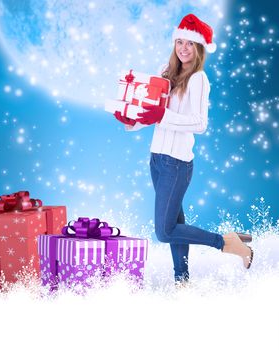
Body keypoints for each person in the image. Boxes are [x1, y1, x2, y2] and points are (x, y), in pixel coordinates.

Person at [114, 14, 254, 286]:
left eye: (190, 44)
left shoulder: (199, 79)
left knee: (165, 231)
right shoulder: (165, 72)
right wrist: (132, 121)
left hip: (177, 164)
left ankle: (227, 243)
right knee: (175, 224)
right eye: (179, 42)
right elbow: (153, 113)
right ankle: (182, 281)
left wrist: (162, 116)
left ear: (199, 48)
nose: (183, 48)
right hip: (157, 160)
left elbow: (200, 124)